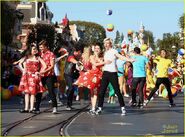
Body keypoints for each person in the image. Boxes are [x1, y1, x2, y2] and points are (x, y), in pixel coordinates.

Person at [96, 38, 134, 116]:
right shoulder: (104, 52)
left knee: (117, 91)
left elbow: (120, 57)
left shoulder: (114, 51)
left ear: (110, 44)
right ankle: (99, 108)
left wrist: (129, 59)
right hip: (105, 73)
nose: (106, 44)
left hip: (112, 73)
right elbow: (99, 59)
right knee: (101, 91)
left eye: (108, 43)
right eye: (105, 43)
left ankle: (123, 108)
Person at [74, 44, 103, 115]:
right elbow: (94, 64)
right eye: (95, 48)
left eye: (98, 48)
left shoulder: (100, 57)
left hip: (95, 75)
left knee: (94, 92)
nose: (96, 50)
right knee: (93, 92)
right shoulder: (91, 56)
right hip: (92, 74)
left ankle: (93, 107)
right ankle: (93, 107)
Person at [18, 45, 46, 113]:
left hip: (34, 77)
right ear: (30, 50)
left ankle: (31, 108)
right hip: (27, 76)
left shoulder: (38, 58)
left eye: (36, 49)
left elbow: (44, 65)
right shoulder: (26, 57)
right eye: (34, 49)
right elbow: (19, 63)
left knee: (33, 93)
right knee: (26, 93)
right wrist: (23, 70)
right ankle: (26, 108)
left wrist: (39, 72)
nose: (35, 50)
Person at [34, 40, 58, 114]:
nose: (40, 49)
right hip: (41, 75)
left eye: (42, 47)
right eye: (40, 47)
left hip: (49, 75)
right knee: (39, 91)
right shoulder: (40, 54)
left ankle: (54, 107)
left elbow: (52, 66)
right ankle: (37, 108)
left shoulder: (51, 54)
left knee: (51, 91)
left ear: (46, 47)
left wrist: (44, 71)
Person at [64, 43, 83, 110]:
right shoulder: (71, 55)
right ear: (76, 52)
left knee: (72, 89)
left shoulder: (78, 56)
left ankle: (70, 104)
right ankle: (68, 104)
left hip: (73, 74)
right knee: (71, 88)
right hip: (67, 73)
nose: (80, 53)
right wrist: (77, 62)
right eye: (80, 52)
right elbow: (71, 59)